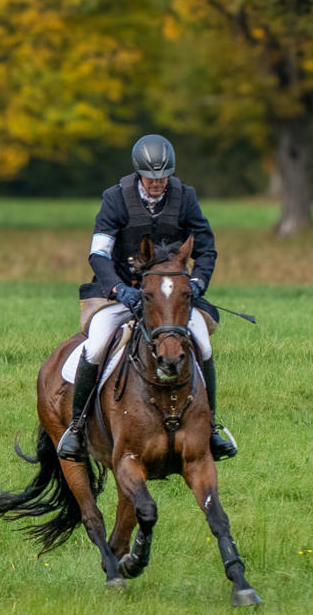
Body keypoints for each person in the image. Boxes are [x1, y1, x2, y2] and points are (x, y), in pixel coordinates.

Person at [59, 133, 237, 461]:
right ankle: (77, 427)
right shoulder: (115, 199)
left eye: (163, 177)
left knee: (203, 343)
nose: (157, 183)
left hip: (169, 297)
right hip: (119, 294)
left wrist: (198, 282)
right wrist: (118, 289)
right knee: (96, 346)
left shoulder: (185, 197)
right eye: (151, 177)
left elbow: (206, 248)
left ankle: (211, 427)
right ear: (139, 172)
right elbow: (99, 254)